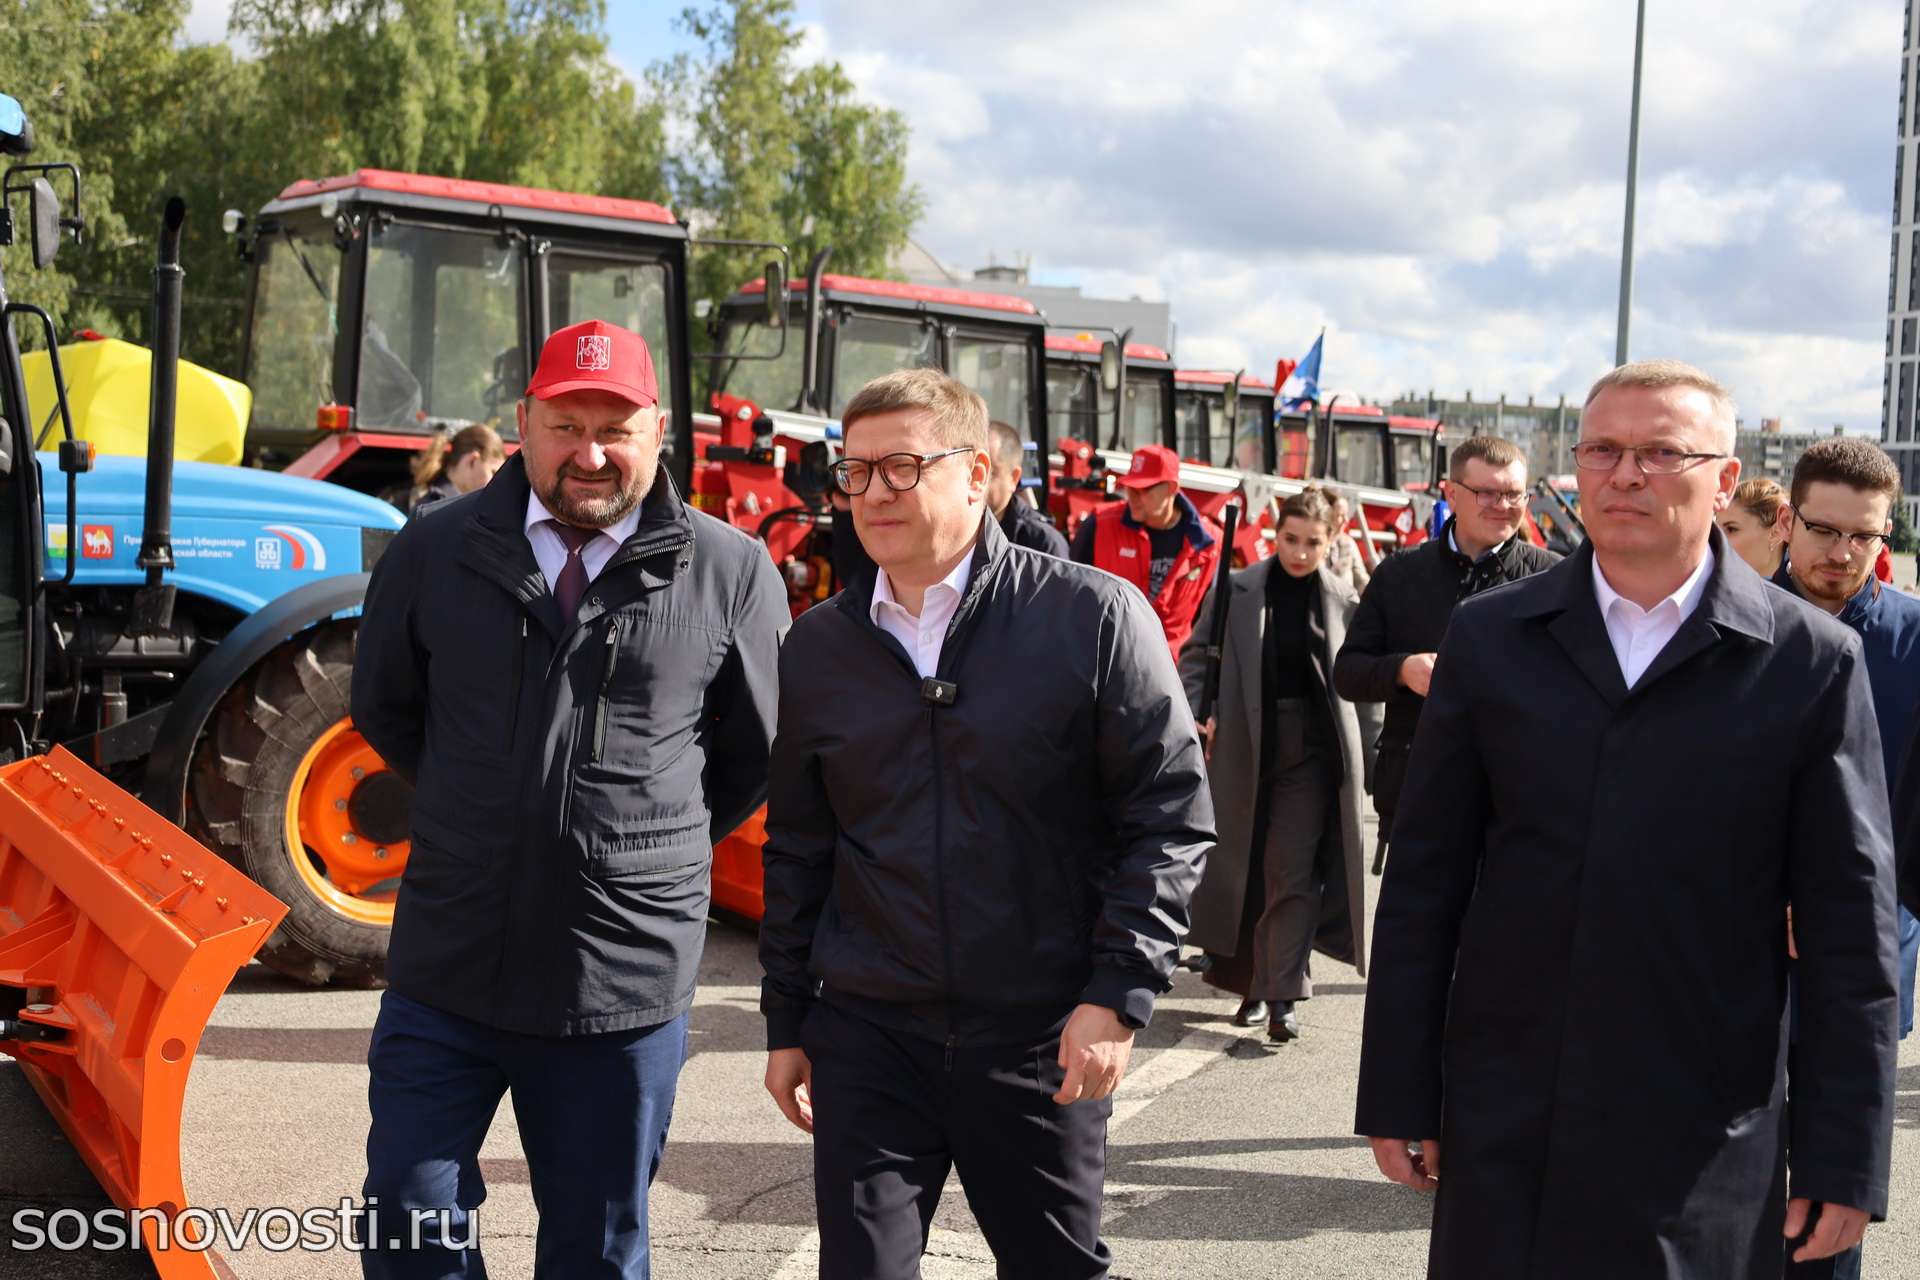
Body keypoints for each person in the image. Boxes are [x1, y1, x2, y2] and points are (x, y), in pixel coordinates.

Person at [1355, 360, 1899, 1279]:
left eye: (1660, 452)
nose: (1625, 474)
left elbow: (1853, 933)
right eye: (1603, 450)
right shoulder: (1493, 638)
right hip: (1510, 1114)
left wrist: (1846, 1153)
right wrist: (1399, 1090)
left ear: (1725, 479)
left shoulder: (1812, 663)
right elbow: (1424, 884)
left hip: (1705, 1129)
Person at [351, 319, 789, 1279]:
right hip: (450, 964)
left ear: (659, 430)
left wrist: (635, 841)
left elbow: (753, 757)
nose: (589, 453)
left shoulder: (730, 571)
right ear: (522, 422)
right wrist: (487, 811)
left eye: (615, 427)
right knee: (405, 1218)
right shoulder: (436, 550)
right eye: (564, 425)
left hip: (619, 981)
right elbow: (386, 705)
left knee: (596, 1249)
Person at [759, 368, 1213, 1280]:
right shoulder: (820, 646)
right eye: (854, 473)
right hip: (870, 1036)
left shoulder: (1091, 617)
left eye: (901, 467)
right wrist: (786, 1021)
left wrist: (1117, 995)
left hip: (1041, 1036)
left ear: (976, 473)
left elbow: (1168, 818)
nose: (872, 493)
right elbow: (801, 845)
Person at [1178, 489, 1368, 1043]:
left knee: (1291, 872)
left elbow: (1363, 690)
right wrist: (1197, 714)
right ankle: (1250, 982)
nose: (1300, 552)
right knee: (1243, 865)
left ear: (1331, 541)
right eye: (1290, 539)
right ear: (1274, 534)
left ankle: (1277, 993)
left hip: (1310, 753)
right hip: (1242, 743)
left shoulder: (1343, 600)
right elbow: (1196, 657)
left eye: (1313, 542)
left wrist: (1377, 761)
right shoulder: (1238, 589)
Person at [1331, 436, 1558, 862]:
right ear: (1450, 493)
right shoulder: (1399, 574)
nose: (1503, 505)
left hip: (1516, 804)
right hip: (1416, 797)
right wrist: (1402, 671)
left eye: (1514, 494)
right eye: (1487, 492)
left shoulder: (1554, 581)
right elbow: (1348, 672)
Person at [1771, 437, 1920, 1046]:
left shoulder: (1915, 641)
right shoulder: (1722, 627)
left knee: (1851, 1132)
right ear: (1787, 520)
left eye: (1864, 536)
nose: (1843, 552)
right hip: (1739, 931)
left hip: (1873, 932)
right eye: (1824, 530)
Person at [1070, 442, 1222, 661]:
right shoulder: (1099, 525)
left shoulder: (1210, 543)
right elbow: (1072, 600)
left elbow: (1209, 621)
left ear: (1171, 488)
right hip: (1106, 664)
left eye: (1143, 490)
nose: (1132, 496)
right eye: (1130, 487)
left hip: (1174, 673)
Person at [988, 418, 1068, 556]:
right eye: (970, 470)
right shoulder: (951, 531)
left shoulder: (1043, 545)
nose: (976, 482)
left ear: (1014, 477)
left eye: (990, 473)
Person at [404, 423, 506, 518]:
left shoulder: (436, 504)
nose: (496, 482)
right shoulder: (442, 509)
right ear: (472, 461)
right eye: (493, 472)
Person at [1717, 475, 1786, 577]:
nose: (1718, 538)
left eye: (1731, 529)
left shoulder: (1808, 588)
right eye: (1716, 529)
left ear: (1775, 533)